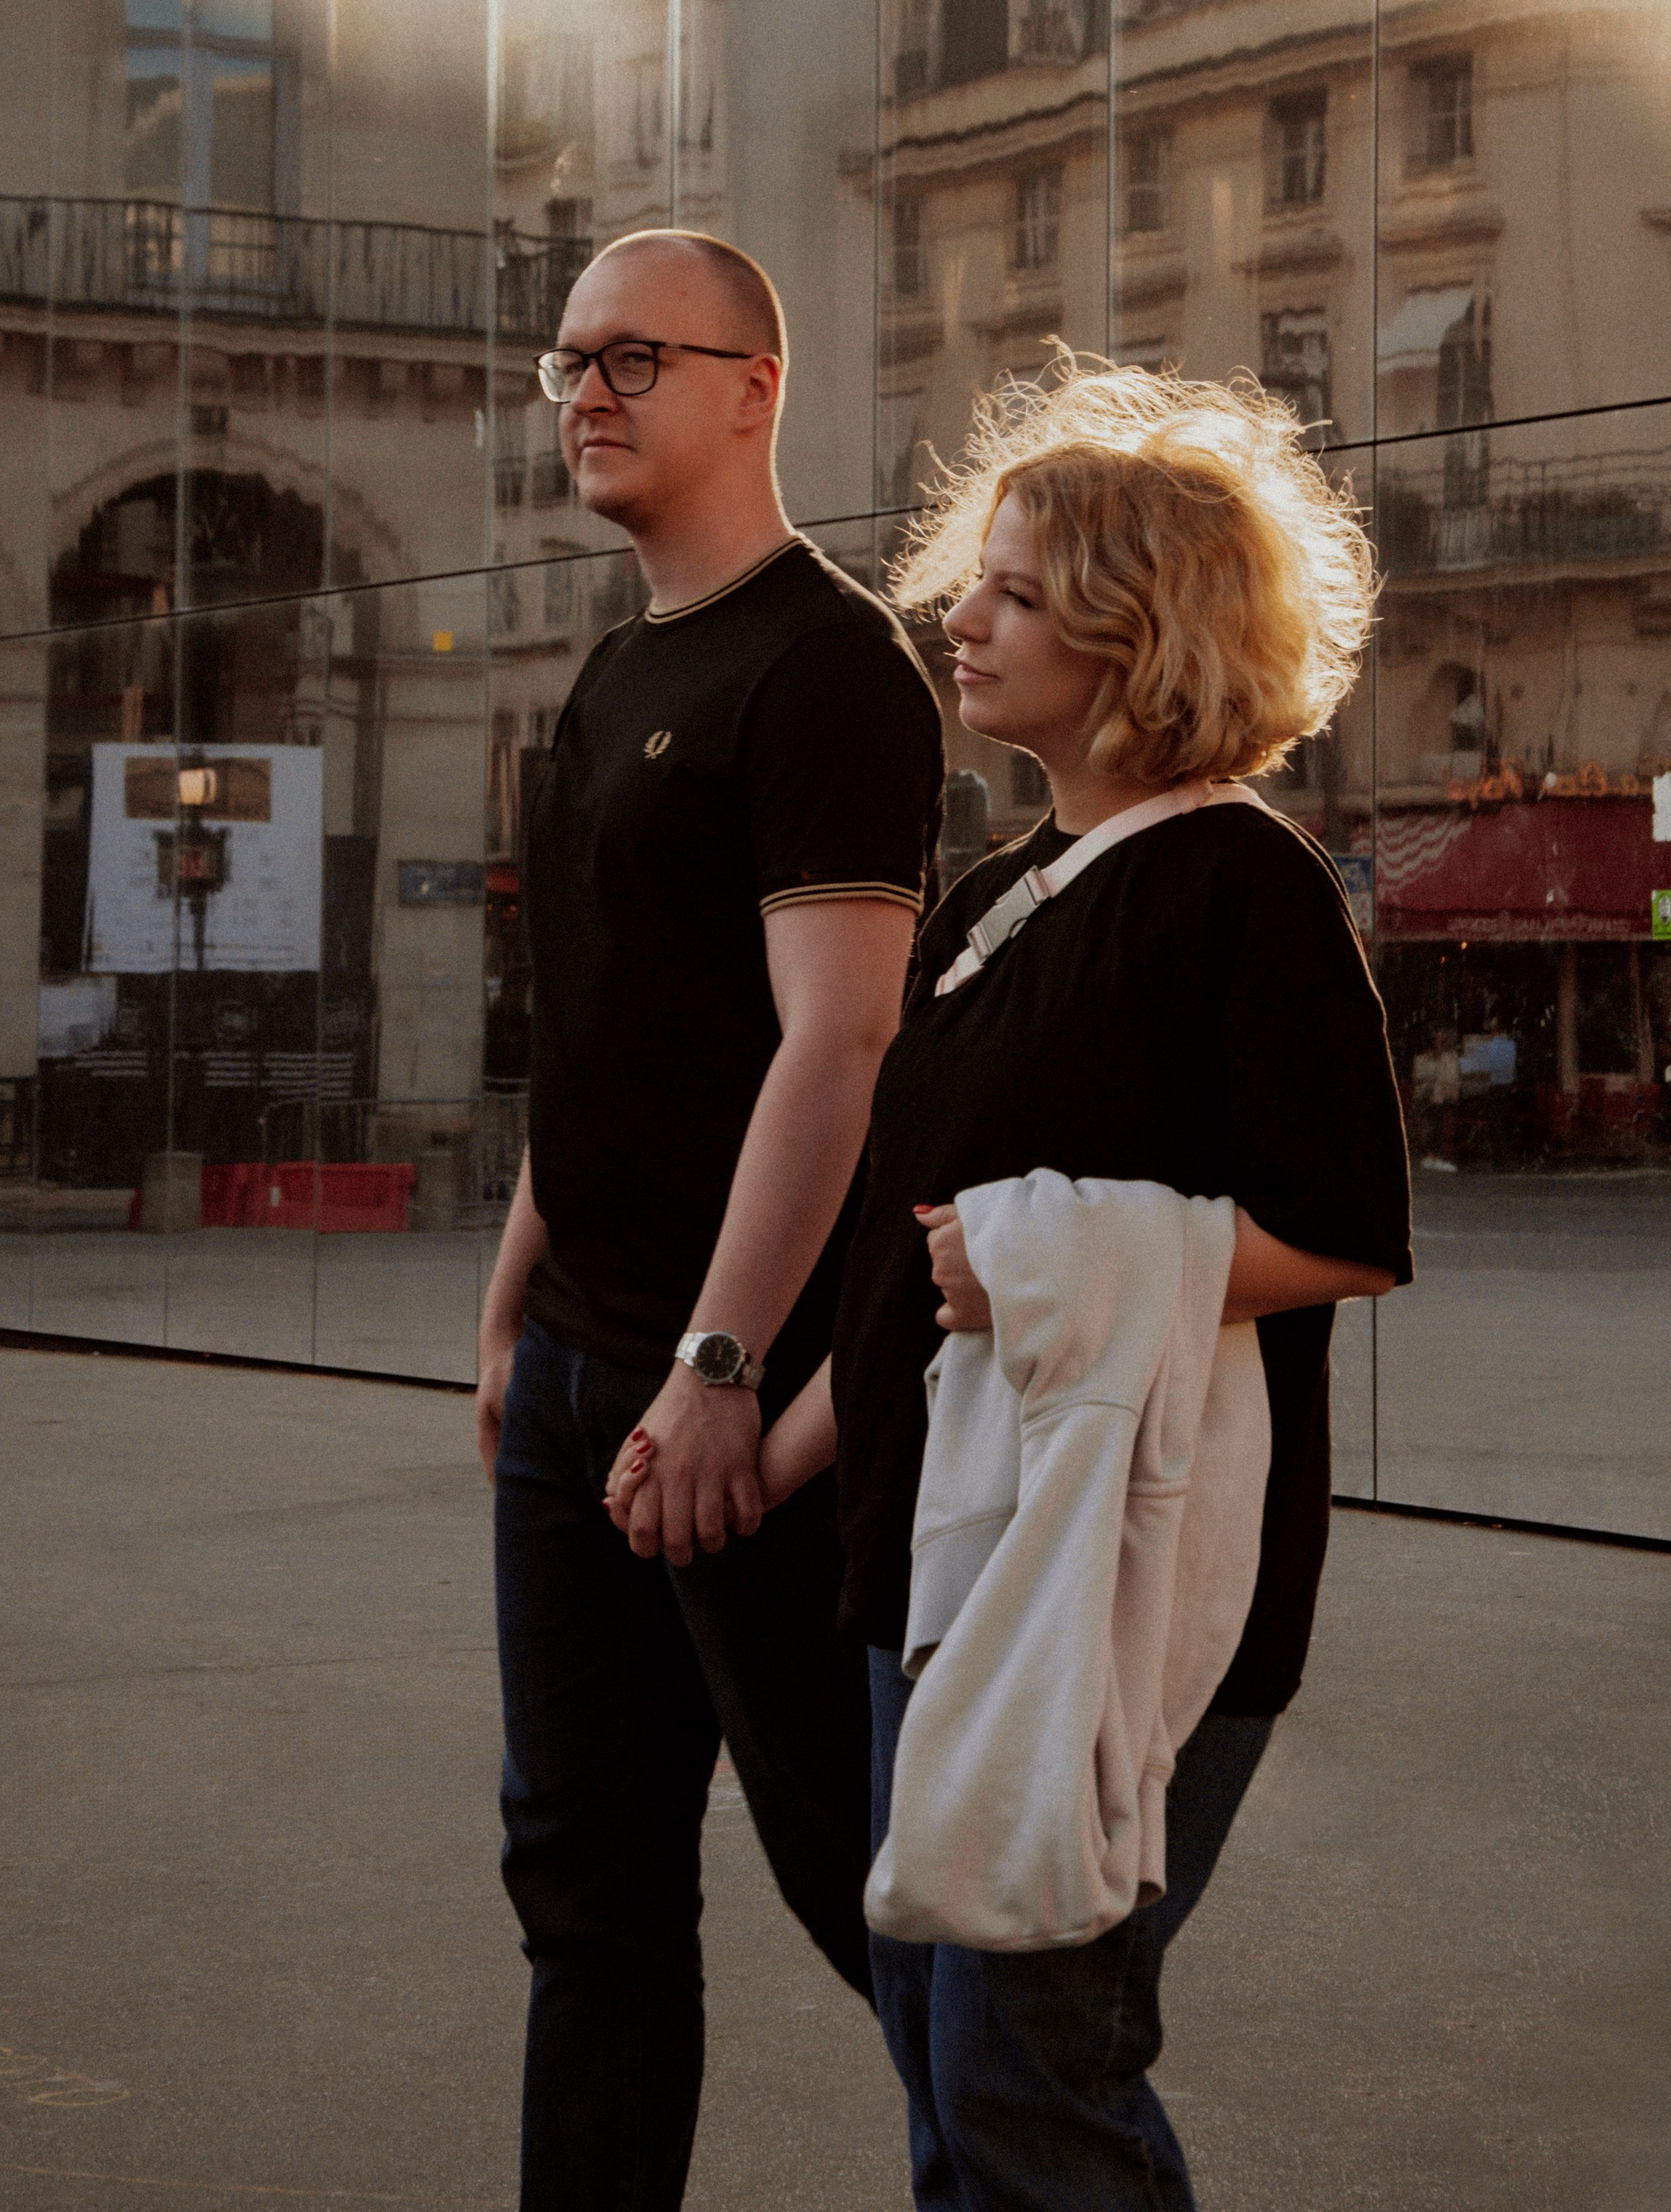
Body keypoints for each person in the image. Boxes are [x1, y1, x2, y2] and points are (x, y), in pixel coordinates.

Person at [708, 355, 1413, 2210]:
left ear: (1136, 628)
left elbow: (1342, 1229)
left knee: (1031, 2066)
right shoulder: (992, 891)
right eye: (977, 579)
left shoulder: (1241, 888)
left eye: (1016, 591)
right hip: (932, 1561)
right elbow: (904, 1271)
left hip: (1127, 1570)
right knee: (945, 2068)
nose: (964, 612)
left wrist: (1052, 1262)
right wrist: (745, 1459)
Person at [478, 227, 944, 2212]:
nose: (584, 388)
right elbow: (588, 1033)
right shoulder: (606, 675)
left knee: (876, 1894)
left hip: (735, 1399)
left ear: (755, 384)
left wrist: (722, 1363)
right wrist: (511, 1319)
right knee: (584, 1894)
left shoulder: (827, 668)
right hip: (585, 1375)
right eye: (566, 361)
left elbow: (835, 1044)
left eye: (632, 356)